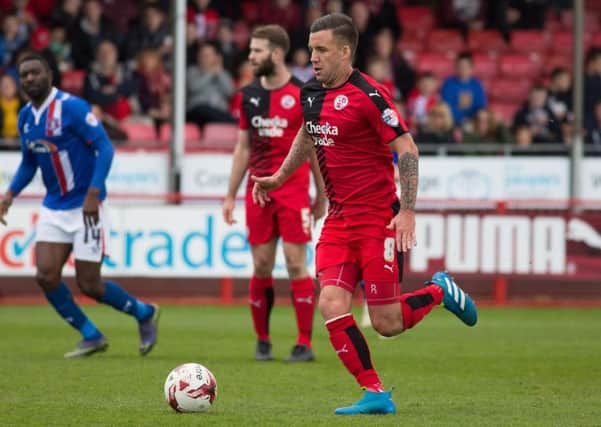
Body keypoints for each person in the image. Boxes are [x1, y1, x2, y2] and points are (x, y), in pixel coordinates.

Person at [252, 13, 477, 415]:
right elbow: (308, 132)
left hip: (378, 221)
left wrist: (407, 211)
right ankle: (374, 391)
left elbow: (407, 149)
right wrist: (281, 176)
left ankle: (440, 291)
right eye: (311, 48)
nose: (313, 57)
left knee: (387, 323)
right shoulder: (310, 94)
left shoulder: (370, 96)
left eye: (321, 50)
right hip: (339, 222)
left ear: (344, 51)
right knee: (332, 303)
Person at [0, 53, 159, 358]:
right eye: (24, 75)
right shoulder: (25, 118)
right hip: (54, 208)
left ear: (49, 74)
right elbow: (28, 163)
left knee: (90, 284)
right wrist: (9, 195)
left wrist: (93, 193)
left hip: (87, 206)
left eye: (35, 73)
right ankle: (91, 335)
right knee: (46, 275)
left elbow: (105, 148)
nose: (29, 79)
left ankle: (144, 313)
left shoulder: (71, 107)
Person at [223, 25, 326, 363]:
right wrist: (229, 195)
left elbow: (313, 148)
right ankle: (263, 340)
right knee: (262, 264)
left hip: (294, 192)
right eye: (251, 50)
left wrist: (321, 194)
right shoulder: (249, 95)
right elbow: (242, 149)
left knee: (297, 264)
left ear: (276, 54)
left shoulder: (303, 93)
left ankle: (303, 343)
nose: (250, 57)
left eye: (256, 51)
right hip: (258, 194)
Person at [441, 51, 487, 126]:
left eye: (466, 66)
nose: (463, 69)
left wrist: (472, 120)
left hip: (472, 123)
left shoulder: (477, 85)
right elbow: (446, 106)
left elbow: (481, 107)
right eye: (460, 66)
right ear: (455, 67)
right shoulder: (448, 84)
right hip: (452, 122)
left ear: (472, 68)